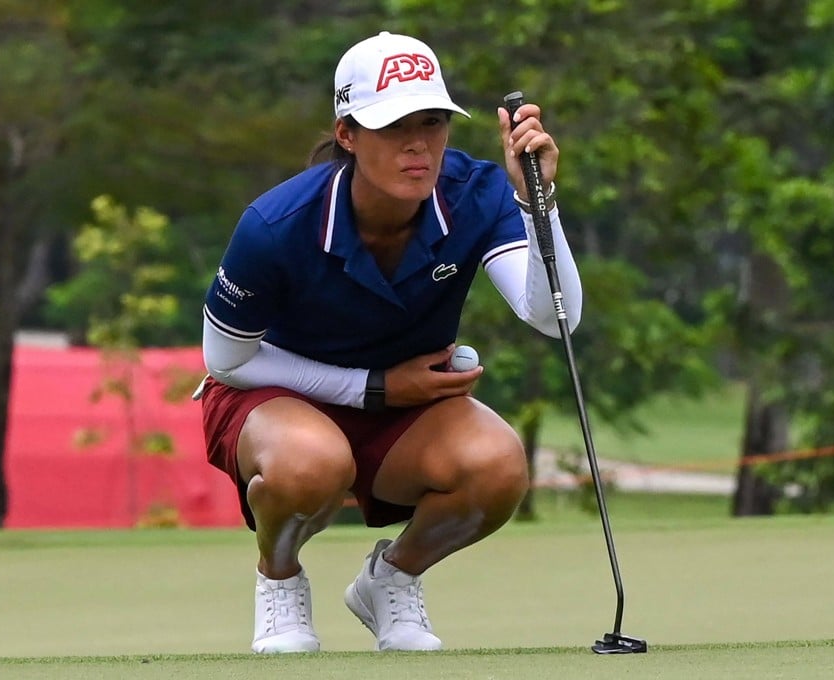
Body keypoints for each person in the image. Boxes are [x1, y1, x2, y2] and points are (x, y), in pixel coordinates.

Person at [196, 30, 583, 653]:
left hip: (406, 408)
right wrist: (371, 387)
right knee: (310, 463)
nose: (417, 144)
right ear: (347, 134)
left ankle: (391, 578)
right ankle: (280, 578)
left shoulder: (478, 193)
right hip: (272, 396)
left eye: (432, 122)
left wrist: (537, 203)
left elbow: (552, 316)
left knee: (496, 465)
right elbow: (225, 361)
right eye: (393, 126)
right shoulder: (275, 225)